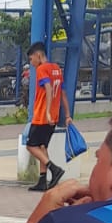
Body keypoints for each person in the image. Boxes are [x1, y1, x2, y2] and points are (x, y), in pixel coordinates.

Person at [24, 40, 71, 193]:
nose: (31, 63)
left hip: (42, 116)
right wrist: (67, 114)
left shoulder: (42, 69)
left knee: (31, 146)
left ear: (38, 55)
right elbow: (63, 93)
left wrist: (47, 112)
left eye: (31, 59)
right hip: (53, 117)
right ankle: (42, 180)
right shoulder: (56, 69)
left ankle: (54, 169)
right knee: (42, 146)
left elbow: (48, 88)